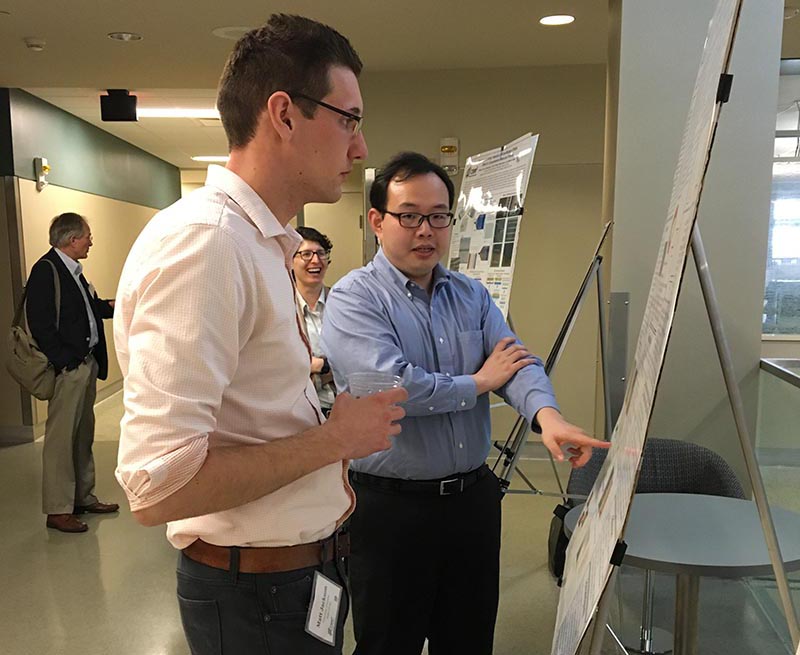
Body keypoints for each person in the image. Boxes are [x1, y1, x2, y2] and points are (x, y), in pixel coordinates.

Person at [113, 14, 407, 655]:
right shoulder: (207, 244)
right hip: (257, 598)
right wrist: (335, 439)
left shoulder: (261, 241)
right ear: (284, 114)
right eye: (348, 120)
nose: (360, 149)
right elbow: (156, 484)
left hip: (292, 580)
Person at [321, 152, 609, 655]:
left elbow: (515, 362)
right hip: (390, 509)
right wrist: (477, 382)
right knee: (391, 640)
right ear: (377, 221)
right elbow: (393, 387)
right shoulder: (354, 299)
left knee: (469, 638)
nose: (425, 230)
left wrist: (548, 417)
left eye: (438, 216)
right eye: (409, 215)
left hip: (472, 504)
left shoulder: (471, 295)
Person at [26, 212, 118, 534]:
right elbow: (40, 325)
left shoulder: (76, 274)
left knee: (82, 436)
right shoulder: (45, 271)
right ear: (71, 239)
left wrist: (126, 303)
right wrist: (65, 361)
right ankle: (57, 509)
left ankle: (83, 497)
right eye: (87, 236)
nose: (91, 241)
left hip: (86, 365)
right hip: (70, 369)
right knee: (61, 440)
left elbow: (93, 309)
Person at [293, 226, 336, 417]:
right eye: (306, 254)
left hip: (342, 407)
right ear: (290, 261)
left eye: (321, 253)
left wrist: (314, 367)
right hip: (299, 412)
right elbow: (278, 363)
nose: (316, 260)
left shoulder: (343, 303)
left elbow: (355, 357)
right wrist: (324, 366)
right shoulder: (280, 306)